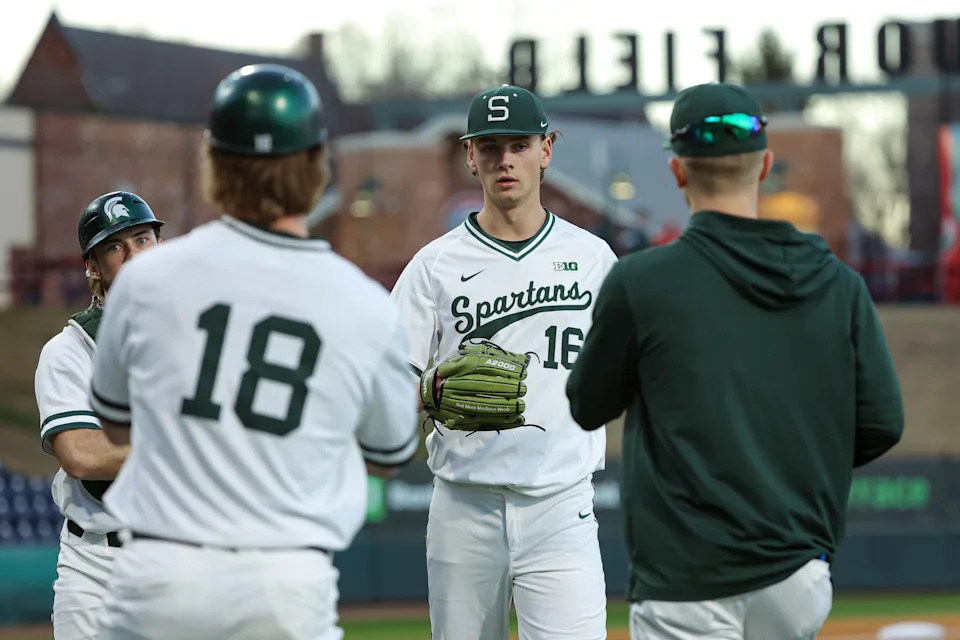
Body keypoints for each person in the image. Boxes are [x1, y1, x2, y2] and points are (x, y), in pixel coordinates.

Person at [88, 63, 419, 640]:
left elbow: (117, 427)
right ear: (317, 166)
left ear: (214, 162)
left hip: (161, 572)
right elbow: (388, 452)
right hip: (285, 578)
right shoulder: (366, 304)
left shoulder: (145, 281)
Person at [566, 82, 905, 640]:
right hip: (797, 575)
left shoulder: (641, 282)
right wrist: (797, 467)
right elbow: (883, 424)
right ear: (766, 164)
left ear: (678, 171)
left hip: (687, 577)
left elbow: (587, 405)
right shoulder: (840, 285)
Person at [389, 84, 617, 640]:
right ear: (470, 156)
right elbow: (386, 383)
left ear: (546, 149)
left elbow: (628, 377)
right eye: (490, 147)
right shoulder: (433, 266)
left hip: (562, 502)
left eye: (519, 144)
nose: (505, 159)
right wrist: (427, 394)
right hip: (463, 505)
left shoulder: (593, 259)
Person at [34, 190, 163, 639]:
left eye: (142, 239)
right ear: (93, 266)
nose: (133, 256)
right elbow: (81, 455)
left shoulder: (197, 333)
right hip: (96, 568)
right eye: (115, 246)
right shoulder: (69, 351)